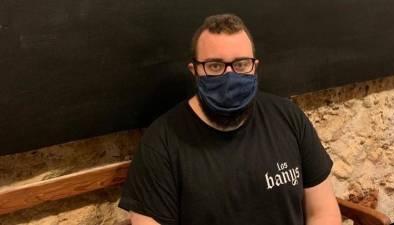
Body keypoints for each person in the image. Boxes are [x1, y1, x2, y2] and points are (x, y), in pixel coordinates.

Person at [118, 13, 341, 225]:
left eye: (241, 64)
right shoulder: (161, 144)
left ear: (255, 66)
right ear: (194, 70)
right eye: (215, 66)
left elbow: (322, 212)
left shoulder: (288, 117)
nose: (230, 75)